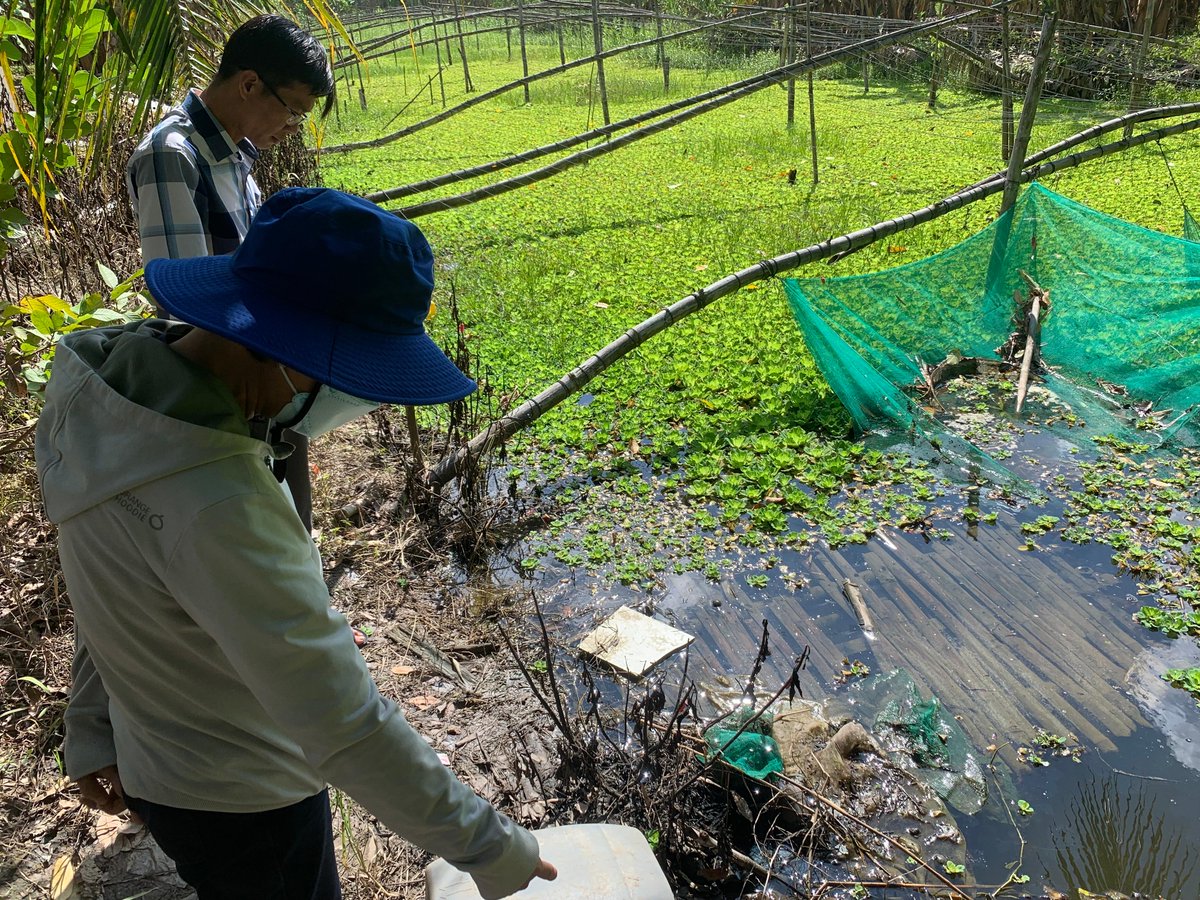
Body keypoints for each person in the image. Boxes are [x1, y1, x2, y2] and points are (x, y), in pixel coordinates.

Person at [36, 187, 558, 899]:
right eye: (340, 368)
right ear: (271, 346)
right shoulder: (221, 506)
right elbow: (341, 723)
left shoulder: (100, 390)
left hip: (159, 759)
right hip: (246, 797)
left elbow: (117, 579)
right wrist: (491, 849)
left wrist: (93, 721)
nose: (346, 393)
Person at [126, 13, 335, 532]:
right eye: (292, 112)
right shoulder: (172, 156)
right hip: (227, 385)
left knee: (290, 520)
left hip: (262, 371)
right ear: (249, 84)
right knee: (248, 530)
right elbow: (185, 300)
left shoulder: (234, 152)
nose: (291, 130)